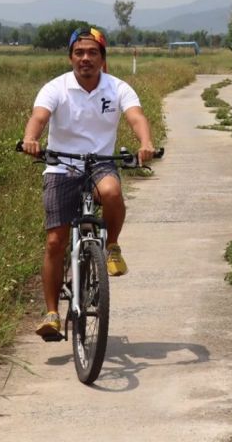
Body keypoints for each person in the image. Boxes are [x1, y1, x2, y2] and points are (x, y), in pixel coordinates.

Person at [21, 26, 155, 339]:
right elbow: (39, 116)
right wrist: (31, 138)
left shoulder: (118, 87)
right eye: (79, 53)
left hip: (100, 162)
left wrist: (146, 142)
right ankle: (52, 313)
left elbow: (136, 116)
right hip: (61, 164)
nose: (85, 58)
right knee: (56, 240)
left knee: (111, 192)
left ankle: (111, 248)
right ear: (70, 57)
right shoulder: (56, 88)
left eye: (92, 53)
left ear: (102, 58)